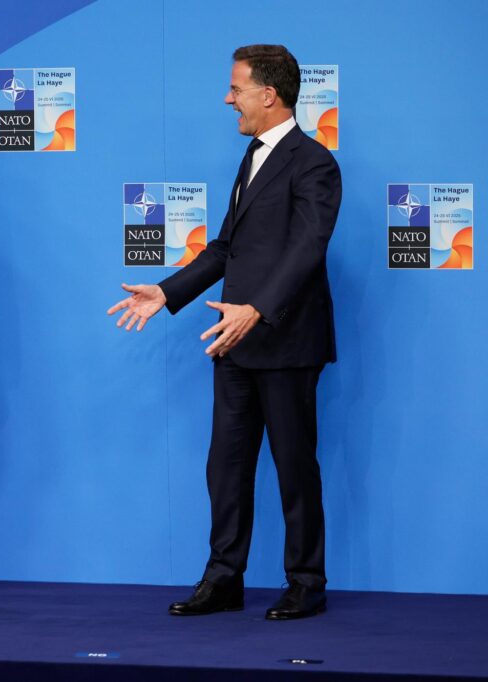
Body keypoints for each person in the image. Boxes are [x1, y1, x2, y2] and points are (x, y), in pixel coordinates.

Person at [108, 45, 341, 620]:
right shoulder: (251, 156)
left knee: (294, 466)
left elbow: (307, 248)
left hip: (285, 341)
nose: (227, 99)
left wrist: (256, 308)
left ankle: (306, 582)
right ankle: (223, 579)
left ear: (269, 94)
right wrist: (167, 293)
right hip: (233, 344)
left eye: (236, 89)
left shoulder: (314, 162)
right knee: (227, 466)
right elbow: (226, 248)